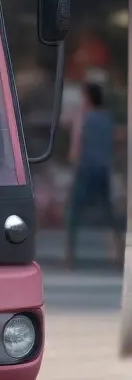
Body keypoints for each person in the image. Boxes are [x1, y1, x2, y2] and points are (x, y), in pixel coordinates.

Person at [65, 81, 122, 267]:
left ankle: (70, 257)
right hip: (103, 169)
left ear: (88, 98)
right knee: (109, 213)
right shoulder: (107, 118)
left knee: (74, 212)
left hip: (86, 169)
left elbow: (76, 146)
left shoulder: (83, 117)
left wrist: (73, 160)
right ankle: (122, 253)